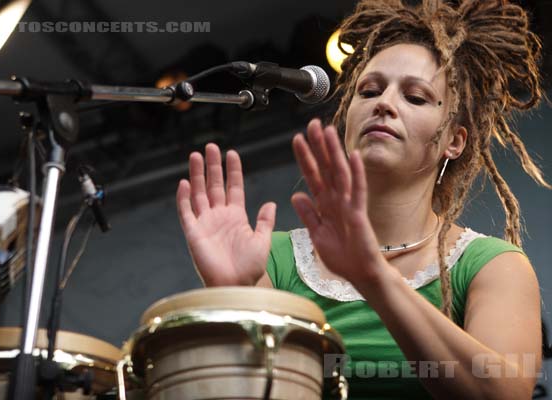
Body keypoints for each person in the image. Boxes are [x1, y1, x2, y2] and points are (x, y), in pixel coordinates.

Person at [176, 0, 550, 398]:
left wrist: (375, 277)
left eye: (416, 98)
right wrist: (237, 294)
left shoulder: (490, 265)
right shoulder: (274, 257)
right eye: (369, 91)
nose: (384, 103)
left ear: (454, 141)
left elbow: (503, 393)